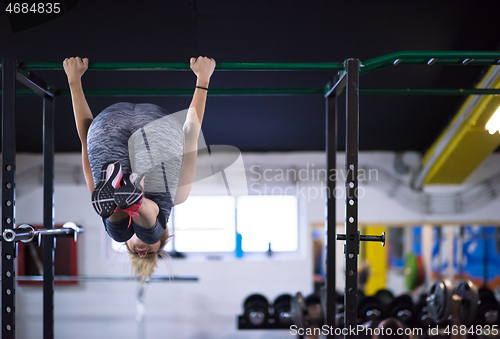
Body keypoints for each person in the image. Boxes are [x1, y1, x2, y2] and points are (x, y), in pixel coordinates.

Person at [63, 56, 216, 282]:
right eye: (151, 252)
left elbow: (87, 140)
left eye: (135, 251)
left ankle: (126, 196)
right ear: (164, 238)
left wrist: (74, 80)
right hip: (153, 132)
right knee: (134, 225)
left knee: (117, 231)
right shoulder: (178, 195)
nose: (142, 251)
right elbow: (191, 133)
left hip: (109, 131)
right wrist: (203, 79)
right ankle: (135, 201)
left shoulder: (117, 222)